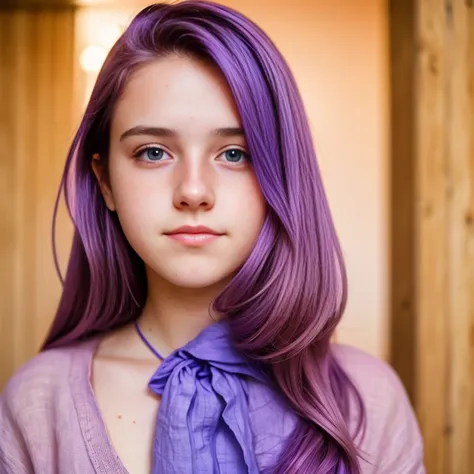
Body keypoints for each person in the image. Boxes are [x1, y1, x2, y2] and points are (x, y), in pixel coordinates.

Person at [0, 1, 425, 473]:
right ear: (105, 181)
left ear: (280, 173)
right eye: (154, 152)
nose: (194, 191)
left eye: (236, 154)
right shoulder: (37, 405)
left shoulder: (368, 402)